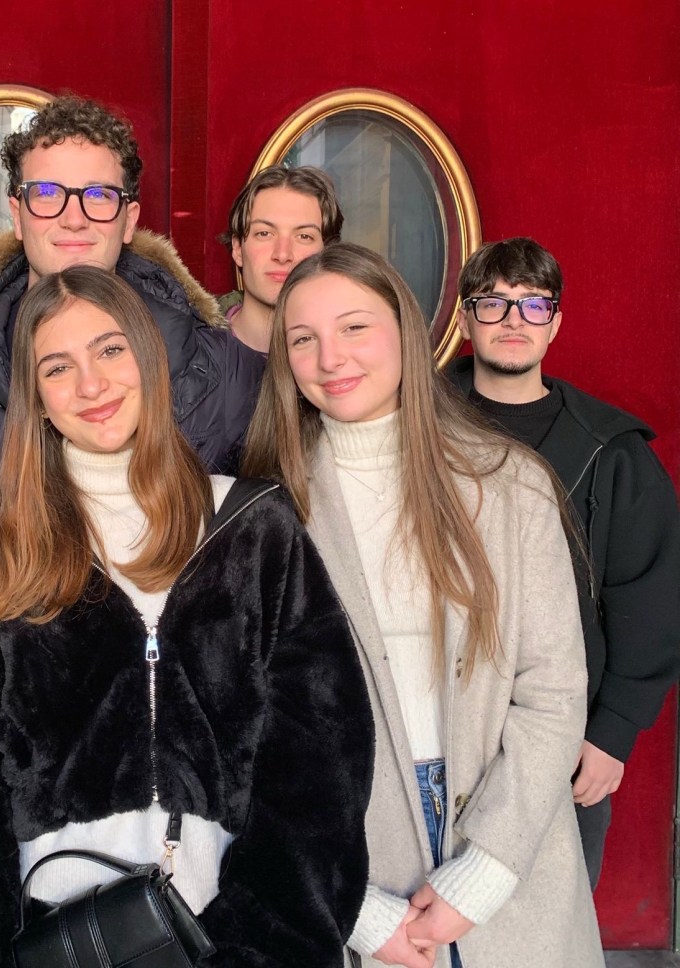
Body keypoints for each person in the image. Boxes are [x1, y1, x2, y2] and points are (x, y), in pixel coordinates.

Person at [0, 265, 373, 967]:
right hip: (54, 937)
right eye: (57, 367)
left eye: (110, 350)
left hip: (227, 934)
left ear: (149, 360)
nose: (90, 384)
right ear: (36, 399)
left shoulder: (252, 525)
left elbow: (322, 767)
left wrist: (267, 946)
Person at [243, 242, 603, 968]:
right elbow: (249, 728)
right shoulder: (263, 510)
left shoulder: (511, 484)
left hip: (509, 835)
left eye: (354, 327)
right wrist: (346, 901)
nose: (330, 357)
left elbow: (553, 691)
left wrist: (486, 870)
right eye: (302, 339)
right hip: (354, 848)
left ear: (405, 331)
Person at [0, 95, 266, 551]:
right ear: (17, 215)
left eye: (99, 195)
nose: (73, 219)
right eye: (47, 194)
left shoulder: (231, 373)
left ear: (129, 221)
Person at [445, 237, 680, 888]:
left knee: (549, 921)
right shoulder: (414, 426)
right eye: (492, 303)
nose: (512, 320)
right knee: (430, 921)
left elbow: (651, 603)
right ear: (464, 319)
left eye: (533, 305)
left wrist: (613, 733)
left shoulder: (613, 453)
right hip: (432, 726)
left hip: (563, 739)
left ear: (555, 324)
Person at [218, 165, 343, 353]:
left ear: (326, 252)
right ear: (238, 249)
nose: (282, 255)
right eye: (264, 233)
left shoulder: (349, 357)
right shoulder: (184, 345)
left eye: (304, 236)